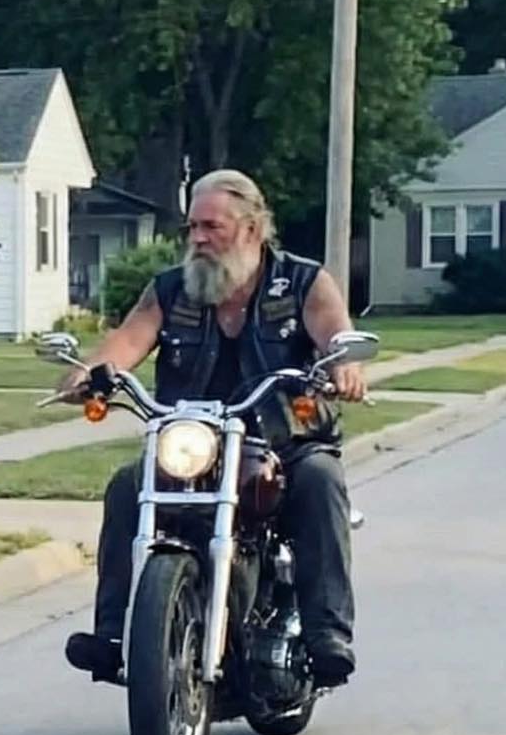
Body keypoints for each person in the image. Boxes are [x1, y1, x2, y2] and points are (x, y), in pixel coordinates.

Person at [61, 169, 368, 689]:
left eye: (212, 227)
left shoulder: (303, 282)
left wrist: (343, 364)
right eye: (192, 228)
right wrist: (89, 374)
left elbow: (335, 330)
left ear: (251, 228)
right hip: (194, 442)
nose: (198, 239)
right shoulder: (172, 291)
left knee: (320, 479)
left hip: (282, 440)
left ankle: (326, 636)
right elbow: (129, 340)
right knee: (125, 487)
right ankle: (113, 637)